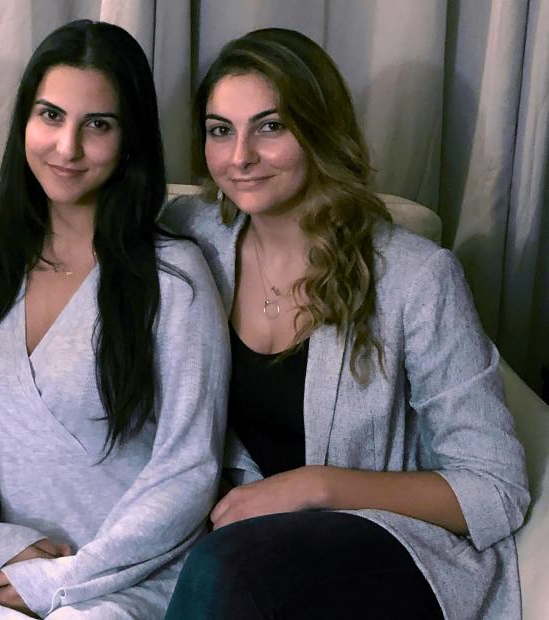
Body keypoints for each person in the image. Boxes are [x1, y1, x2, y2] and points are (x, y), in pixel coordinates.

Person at [160, 27, 530, 620]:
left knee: (235, 569)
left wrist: (314, 485)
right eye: (220, 130)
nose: (240, 157)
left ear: (320, 129)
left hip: (380, 546)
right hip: (238, 549)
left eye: (271, 126)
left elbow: (496, 489)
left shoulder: (417, 278)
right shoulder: (192, 235)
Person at [0, 19, 229, 619]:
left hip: (125, 580)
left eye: (98, 125)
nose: (67, 148)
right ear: (24, 122)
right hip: (1, 572)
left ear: (131, 139)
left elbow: (188, 467)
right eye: (51, 116)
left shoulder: (175, 276)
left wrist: (68, 577)